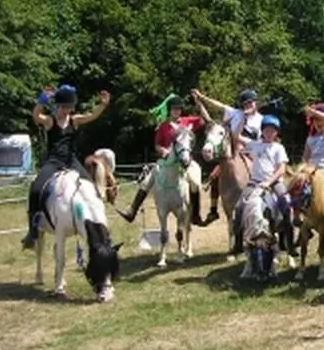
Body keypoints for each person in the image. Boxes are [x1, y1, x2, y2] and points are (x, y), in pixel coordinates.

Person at [21, 85, 111, 249]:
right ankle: (32, 231)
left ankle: (97, 222)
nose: (67, 111)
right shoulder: (50, 121)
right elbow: (35, 116)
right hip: (54, 161)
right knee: (35, 189)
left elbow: (92, 115)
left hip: (71, 161)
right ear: (58, 106)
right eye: (64, 107)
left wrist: (103, 105)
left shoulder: (74, 120)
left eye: (70, 107)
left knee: (92, 188)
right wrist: (42, 100)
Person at [117, 95, 211, 226]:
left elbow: (206, 120)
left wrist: (198, 102)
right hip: (166, 161)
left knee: (195, 183)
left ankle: (195, 215)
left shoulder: (188, 122)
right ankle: (132, 210)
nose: (176, 111)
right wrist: (163, 151)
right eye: (173, 109)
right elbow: (157, 145)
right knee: (146, 182)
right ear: (169, 110)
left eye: (178, 109)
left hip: (185, 160)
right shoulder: (163, 126)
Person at [190, 88, 263, 224]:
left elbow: (261, 139)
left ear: (255, 103)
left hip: (252, 152)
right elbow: (217, 105)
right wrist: (201, 97)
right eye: (245, 103)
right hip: (231, 153)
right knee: (215, 175)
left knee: (262, 172)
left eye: (251, 103)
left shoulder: (260, 120)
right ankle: (213, 210)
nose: (248, 105)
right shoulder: (235, 113)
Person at [229, 114, 294, 255]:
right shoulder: (254, 144)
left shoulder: (278, 148)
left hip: (274, 182)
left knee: (287, 206)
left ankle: (288, 243)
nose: (269, 133)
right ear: (262, 131)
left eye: (272, 131)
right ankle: (238, 242)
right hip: (254, 183)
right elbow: (235, 136)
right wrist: (242, 118)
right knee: (239, 208)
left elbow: (281, 169)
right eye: (266, 130)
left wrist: (268, 182)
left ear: (276, 133)